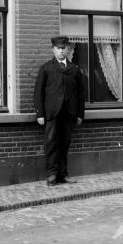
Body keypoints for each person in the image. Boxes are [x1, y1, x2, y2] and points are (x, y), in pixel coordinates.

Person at [34, 35, 86, 186]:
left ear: (68, 49)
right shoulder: (46, 68)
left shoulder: (74, 69)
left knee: (65, 143)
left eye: (64, 48)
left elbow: (80, 94)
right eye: (58, 48)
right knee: (51, 143)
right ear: (53, 50)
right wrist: (40, 114)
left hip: (69, 113)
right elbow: (38, 92)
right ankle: (52, 174)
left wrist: (80, 114)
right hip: (52, 113)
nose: (61, 51)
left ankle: (63, 175)